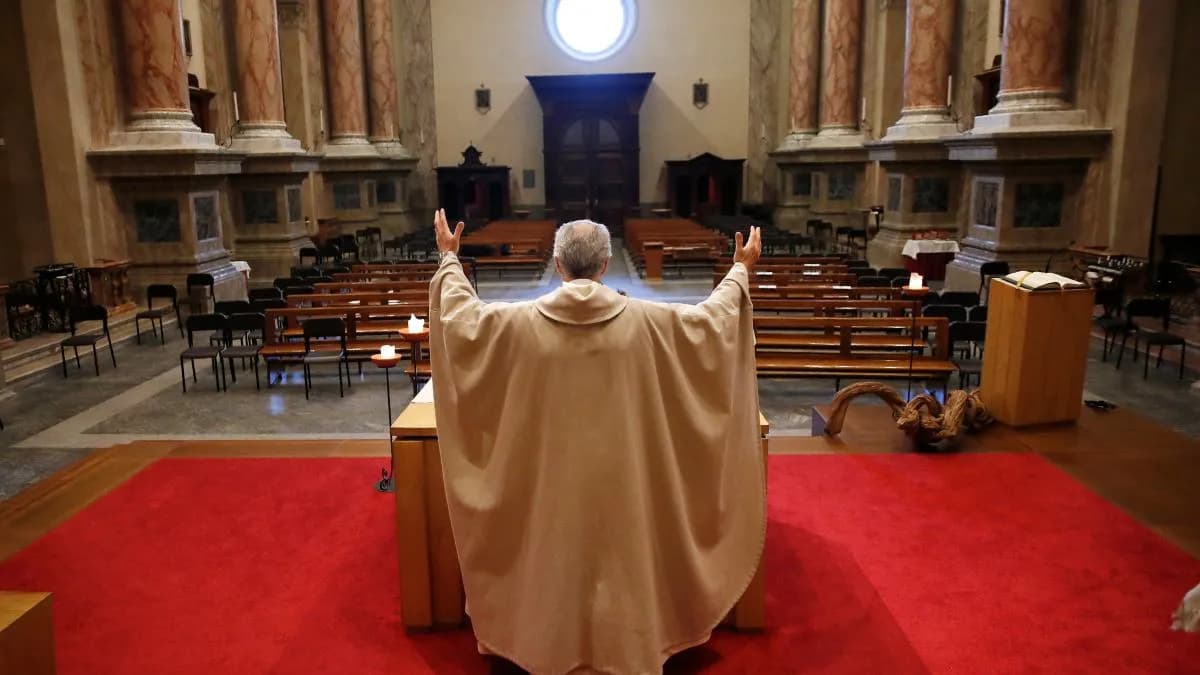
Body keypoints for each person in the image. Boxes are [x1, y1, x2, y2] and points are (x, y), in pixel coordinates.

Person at [428, 210, 765, 675]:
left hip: (549, 488)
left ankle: (546, 642)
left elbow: (463, 320)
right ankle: (631, 644)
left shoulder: (518, 324)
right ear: (606, 264)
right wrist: (740, 270)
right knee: (623, 553)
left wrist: (449, 259)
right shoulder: (650, 322)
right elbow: (712, 323)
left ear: (559, 265)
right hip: (624, 485)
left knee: (553, 550)